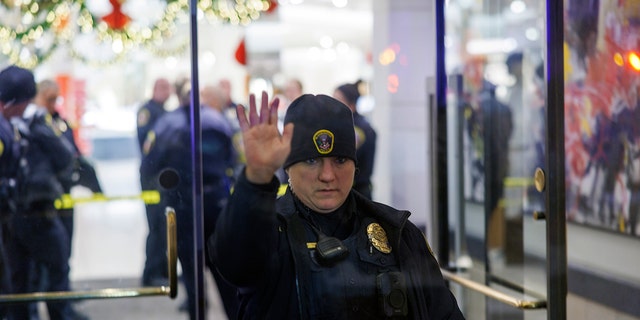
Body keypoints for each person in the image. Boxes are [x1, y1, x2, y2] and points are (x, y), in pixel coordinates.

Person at [208, 92, 465, 319]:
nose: (328, 175)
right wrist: (257, 179)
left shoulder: (396, 232)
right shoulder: (268, 230)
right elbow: (235, 264)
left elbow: (443, 312)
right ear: (288, 167)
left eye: (340, 159)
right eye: (311, 160)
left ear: (355, 164)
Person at [140, 79, 239, 319]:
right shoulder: (219, 121)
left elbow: (150, 163)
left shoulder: (166, 123)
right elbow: (234, 158)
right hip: (216, 202)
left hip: (183, 204)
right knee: (225, 271)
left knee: (191, 269)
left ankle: (198, 311)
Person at [0, 65, 83, 320]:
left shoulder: (14, 124)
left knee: (19, 280)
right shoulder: (29, 124)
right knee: (53, 269)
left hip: (15, 212)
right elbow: (65, 156)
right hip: (33, 209)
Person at [137, 77, 172, 286]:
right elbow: (148, 145)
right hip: (152, 176)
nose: (166, 92)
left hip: (162, 175)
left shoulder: (166, 113)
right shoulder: (147, 112)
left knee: (165, 224)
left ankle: (162, 269)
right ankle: (150, 272)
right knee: (156, 225)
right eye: (163, 87)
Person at [333, 81, 377, 200]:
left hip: (356, 195)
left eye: (337, 100)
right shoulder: (349, 125)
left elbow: (342, 158)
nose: (332, 105)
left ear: (351, 105)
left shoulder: (357, 130)